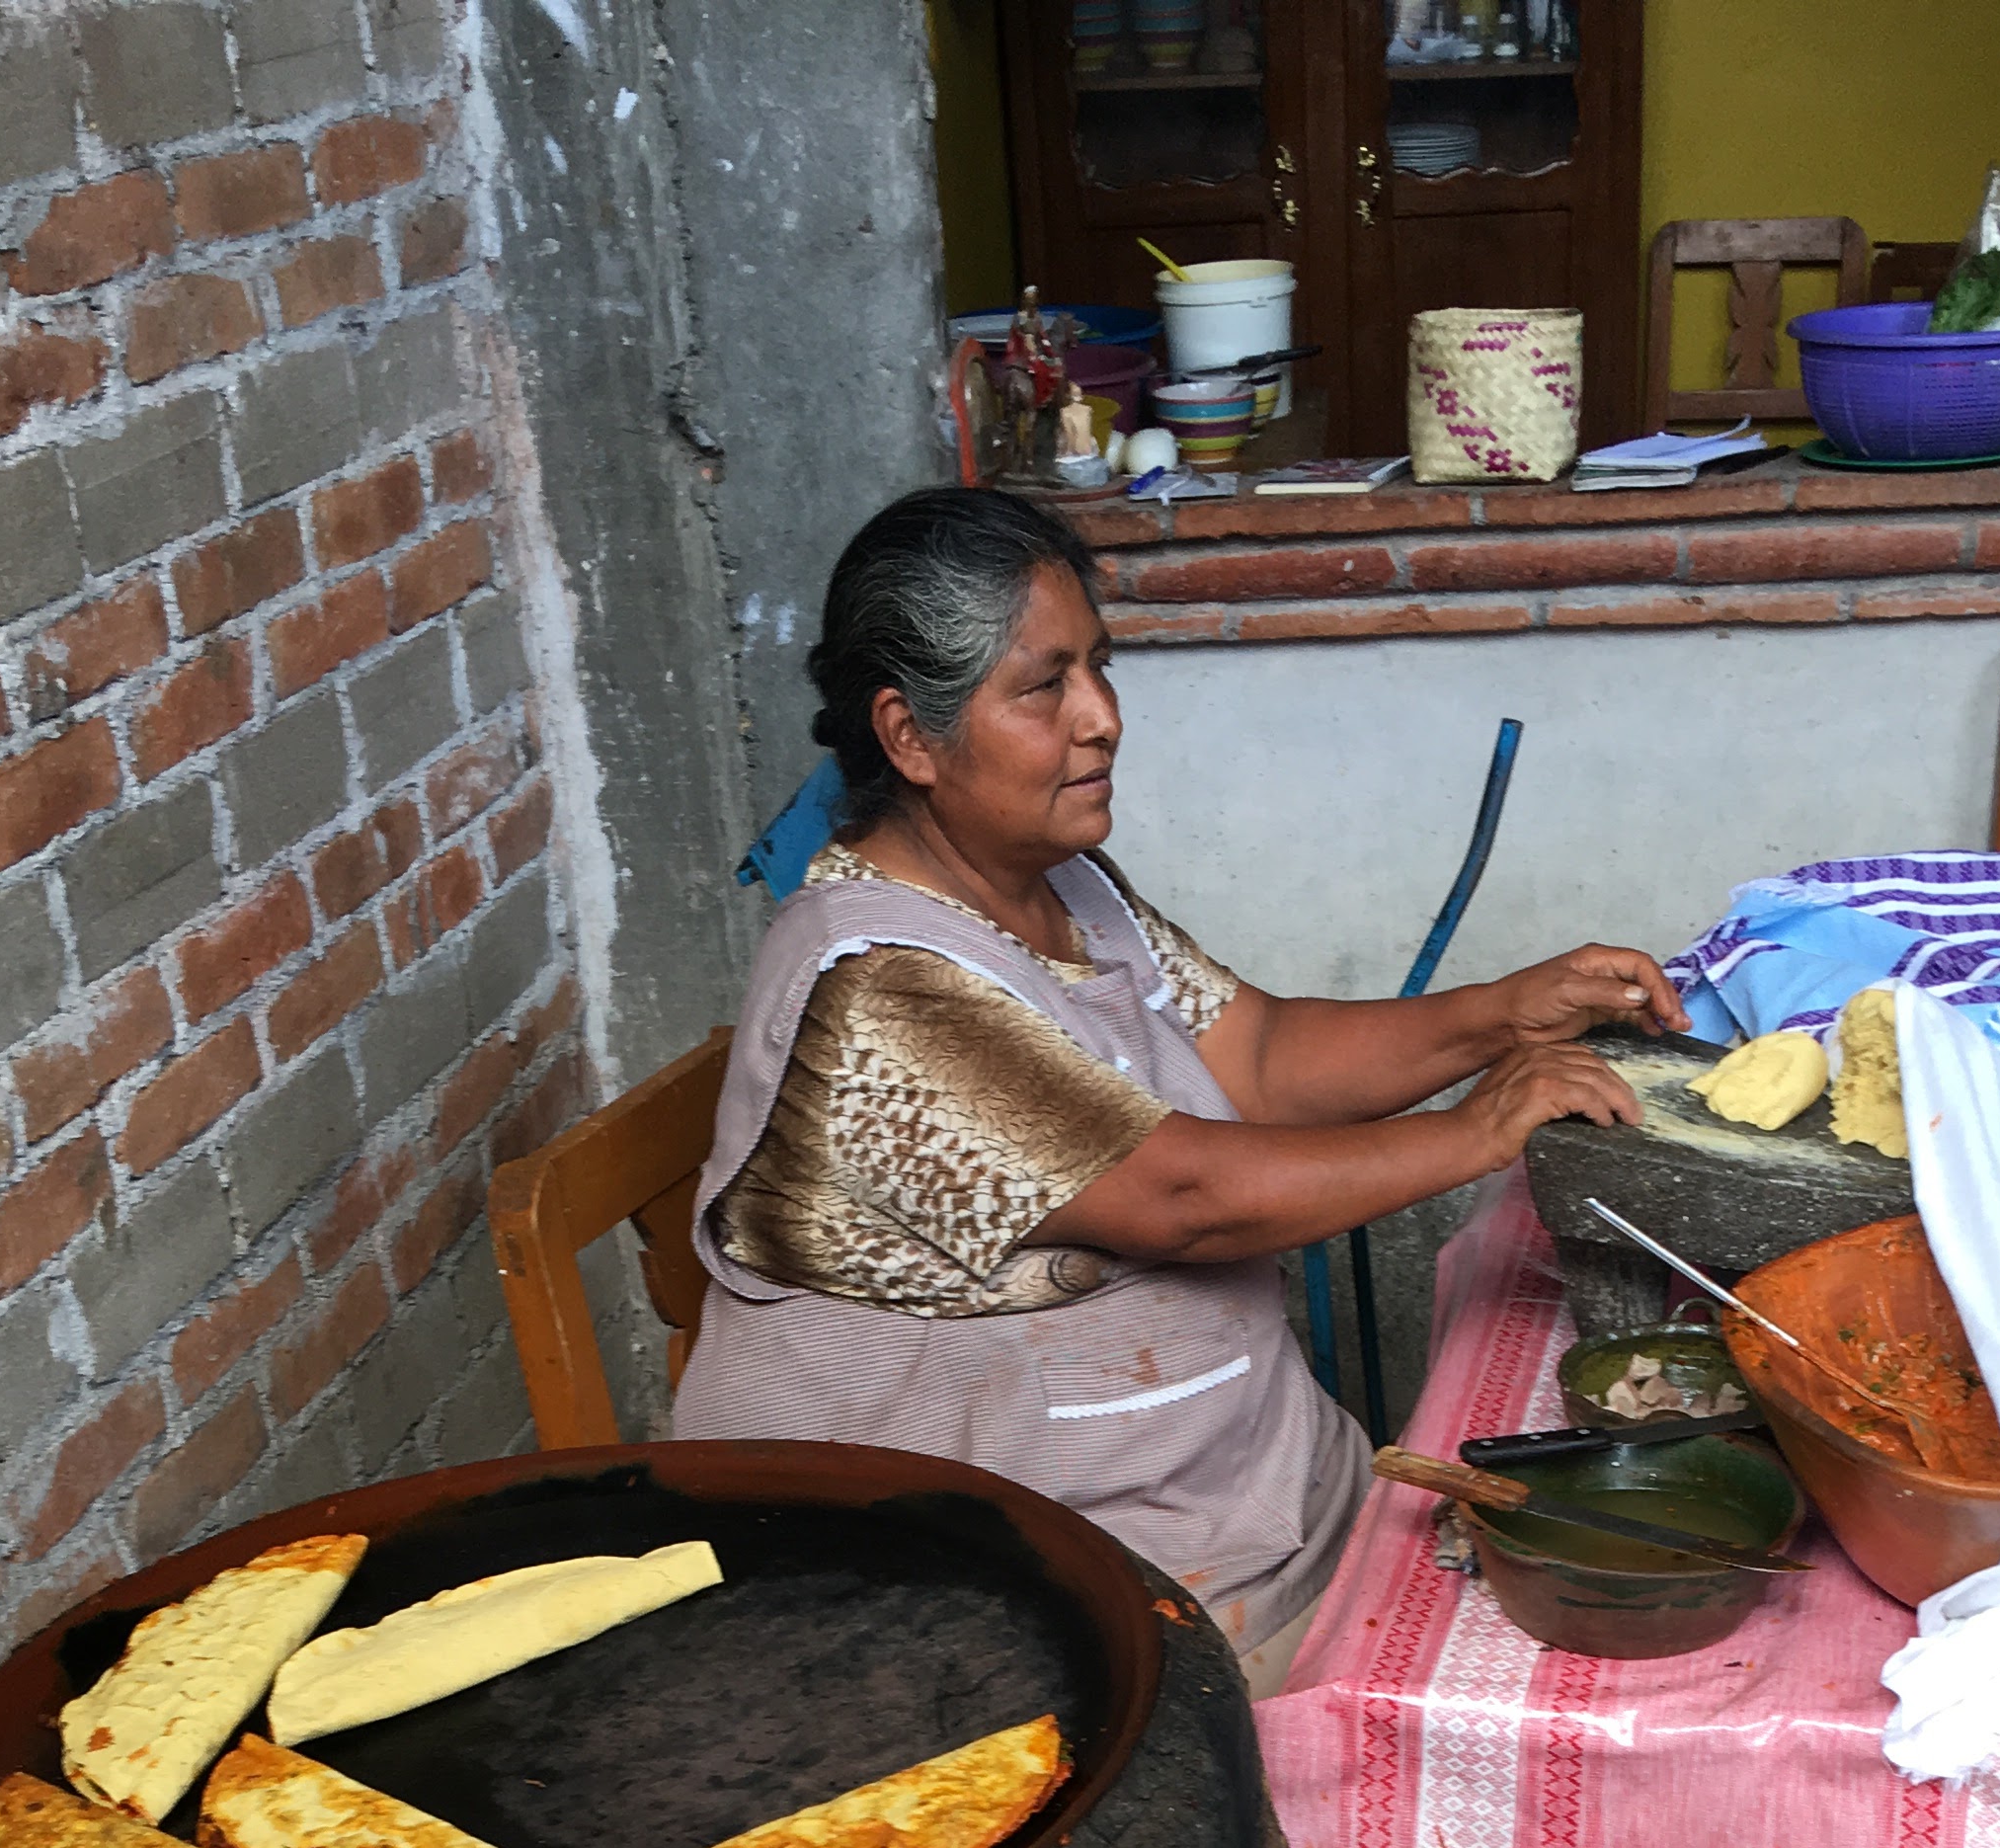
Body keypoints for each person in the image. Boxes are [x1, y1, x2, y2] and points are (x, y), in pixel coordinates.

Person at [679, 483, 1682, 1684]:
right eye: (1043, 686)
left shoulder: (1060, 885)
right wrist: (1482, 1128)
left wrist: (1500, 1013)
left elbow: (1254, 1055)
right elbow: (1185, 1195)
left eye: (1098, 667)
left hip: (1239, 1499)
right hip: (1044, 1600)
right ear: (908, 736)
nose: (1101, 717)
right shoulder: (882, 994)